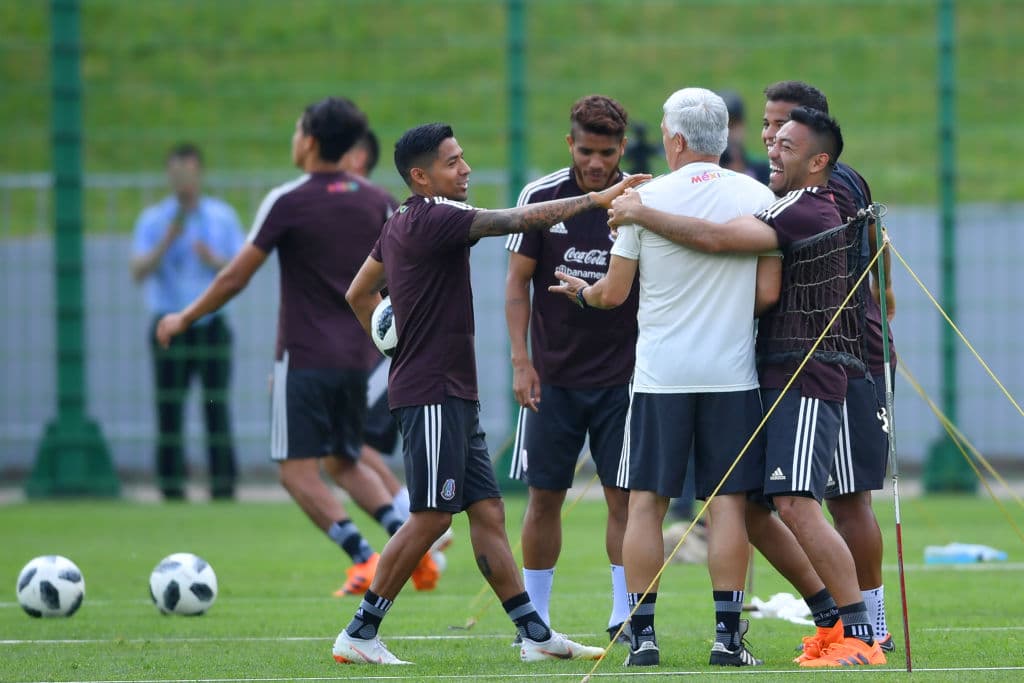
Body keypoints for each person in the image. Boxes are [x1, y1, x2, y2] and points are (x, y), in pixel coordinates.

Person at [337, 122, 648, 665]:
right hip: (432, 392)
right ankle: (361, 632)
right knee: (432, 516)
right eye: (453, 162)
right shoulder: (436, 215)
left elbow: (358, 293)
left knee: (486, 512)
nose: (466, 169)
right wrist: (596, 199)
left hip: (449, 390)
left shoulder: (400, 222)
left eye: (463, 158)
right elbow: (521, 218)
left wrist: (386, 338)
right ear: (420, 176)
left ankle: (534, 634)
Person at [607, 106, 887, 667]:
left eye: (785, 141)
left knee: (786, 503)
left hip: (801, 373)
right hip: (749, 374)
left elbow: (708, 241)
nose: (770, 146)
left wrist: (640, 212)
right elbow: (761, 293)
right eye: (770, 135)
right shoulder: (765, 197)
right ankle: (741, 638)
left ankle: (859, 633)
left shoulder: (796, 208)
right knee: (746, 507)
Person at [155, 97, 438, 597]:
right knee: (343, 460)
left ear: (308, 140)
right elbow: (402, 271)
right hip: (359, 357)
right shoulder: (375, 199)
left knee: (294, 471)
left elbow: (236, 275)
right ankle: (407, 549)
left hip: (304, 358)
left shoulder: (288, 200)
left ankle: (364, 557)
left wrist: (184, 316)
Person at [550, 87, 778, 667]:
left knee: (646, 503)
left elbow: (615, 293)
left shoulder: (640, 198)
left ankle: (643, 636)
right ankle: (727, 639)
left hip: (659, 377)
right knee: (727, 505)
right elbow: (767, 294)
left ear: (674, 140)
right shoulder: (759, 195)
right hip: (732, 374)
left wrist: (582, 295)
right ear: (724, 138)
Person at [761, 80, 896, 653]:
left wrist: (878, 321)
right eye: (767, 126)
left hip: (846, 358)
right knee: (781, 499)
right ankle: (839, 615)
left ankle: (871, 624)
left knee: (846, 497)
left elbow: (853, 249)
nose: (770, 137)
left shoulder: (828, 186)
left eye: (781, 128)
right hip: (824, 353)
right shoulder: (807, 182)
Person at [504, 94, 636, 644]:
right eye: (586, 151)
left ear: (622, 147)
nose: (597, 164)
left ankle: (624, 615)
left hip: (625, 378)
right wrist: (521, 361)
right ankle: (534, 619)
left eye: (607, 152)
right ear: (570, 144)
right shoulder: (541, 197)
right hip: (552, 377)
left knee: (625, 498)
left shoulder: (639, 200)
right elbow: (515, 285)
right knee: (544, 497)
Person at [131, 143, 244, 500]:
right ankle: (171, 486)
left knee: (216, 405)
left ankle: (223, 485)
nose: (183, 181)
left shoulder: (221, 217)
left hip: (211, 326)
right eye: (176, 173)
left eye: (189, 173)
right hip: (168, 325)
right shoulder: (154, 220)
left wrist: (213, 259)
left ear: (199, 174)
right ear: (169, 176)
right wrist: (165, 243)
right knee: (169, 408)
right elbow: (137, 270)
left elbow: (241, 267)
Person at [718, 90, 771, 185]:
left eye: (732, 125)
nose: (727, 133)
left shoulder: (763, 170)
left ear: (743, 125)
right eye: (721, 128)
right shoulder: (703, 175)